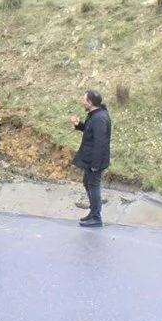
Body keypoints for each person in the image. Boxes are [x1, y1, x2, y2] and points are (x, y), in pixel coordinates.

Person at [71, 89, 112, 227]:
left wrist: (95, 164)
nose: (83, 102)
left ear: (90, 102)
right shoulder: (95, 115)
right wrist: (80, 125)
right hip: (91, 159)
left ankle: (96, 217)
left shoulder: (99, 118)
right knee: (87, 183)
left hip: (95, 161)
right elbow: (90, 132)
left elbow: (100, 143)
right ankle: (93, 212)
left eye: (84, 100)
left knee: (93, 185)